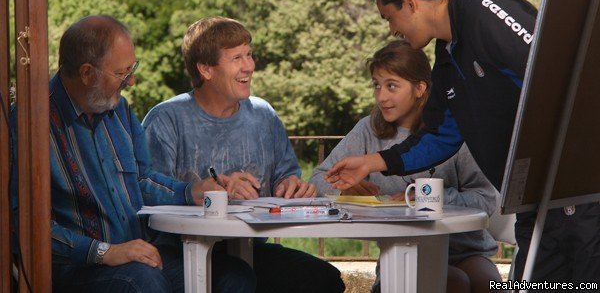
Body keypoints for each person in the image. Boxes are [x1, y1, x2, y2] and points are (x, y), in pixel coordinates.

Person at [325, 0, 600, 287]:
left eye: (389, 18)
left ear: (410, 3)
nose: (392, 29)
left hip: (581, 200)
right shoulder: (447, 58)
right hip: (537, 208)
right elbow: (440, 136)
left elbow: (559, 77)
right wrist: (373, 161)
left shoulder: (487, 14)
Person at [10, 15, 250, 293]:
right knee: (143, 282)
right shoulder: (28, 125)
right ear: (88, 73)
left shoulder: (119, 110)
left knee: (234, 276)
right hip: (78, 270)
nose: (132, 81)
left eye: (132, 68)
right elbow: (22, 226)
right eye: (122, 72)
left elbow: (141, 180)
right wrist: (105, 252)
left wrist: (191, 192)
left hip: (139, 257)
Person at [142, 16, 345, 293]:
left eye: (249, 55)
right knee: (237, 279)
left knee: (324, 279)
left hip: (248, 249)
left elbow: (286, 175)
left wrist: (289, 186)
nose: (249, 66)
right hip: (181, 251)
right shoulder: (166, 119)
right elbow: (145, 189)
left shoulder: (264, 115)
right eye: (236, 57)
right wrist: (199, 191)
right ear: (205, 69)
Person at [310, 40, 500, 292]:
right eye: (377, 86)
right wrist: (345, 190)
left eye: (391, 86)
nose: (381, 97)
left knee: (488, 285)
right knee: (454, 283)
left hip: (466, 250)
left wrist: (432, 198)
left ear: (420, 88)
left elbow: (485, 199)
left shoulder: (450, 132)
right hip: (403, 252)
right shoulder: (368, 130)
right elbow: (317, 180)